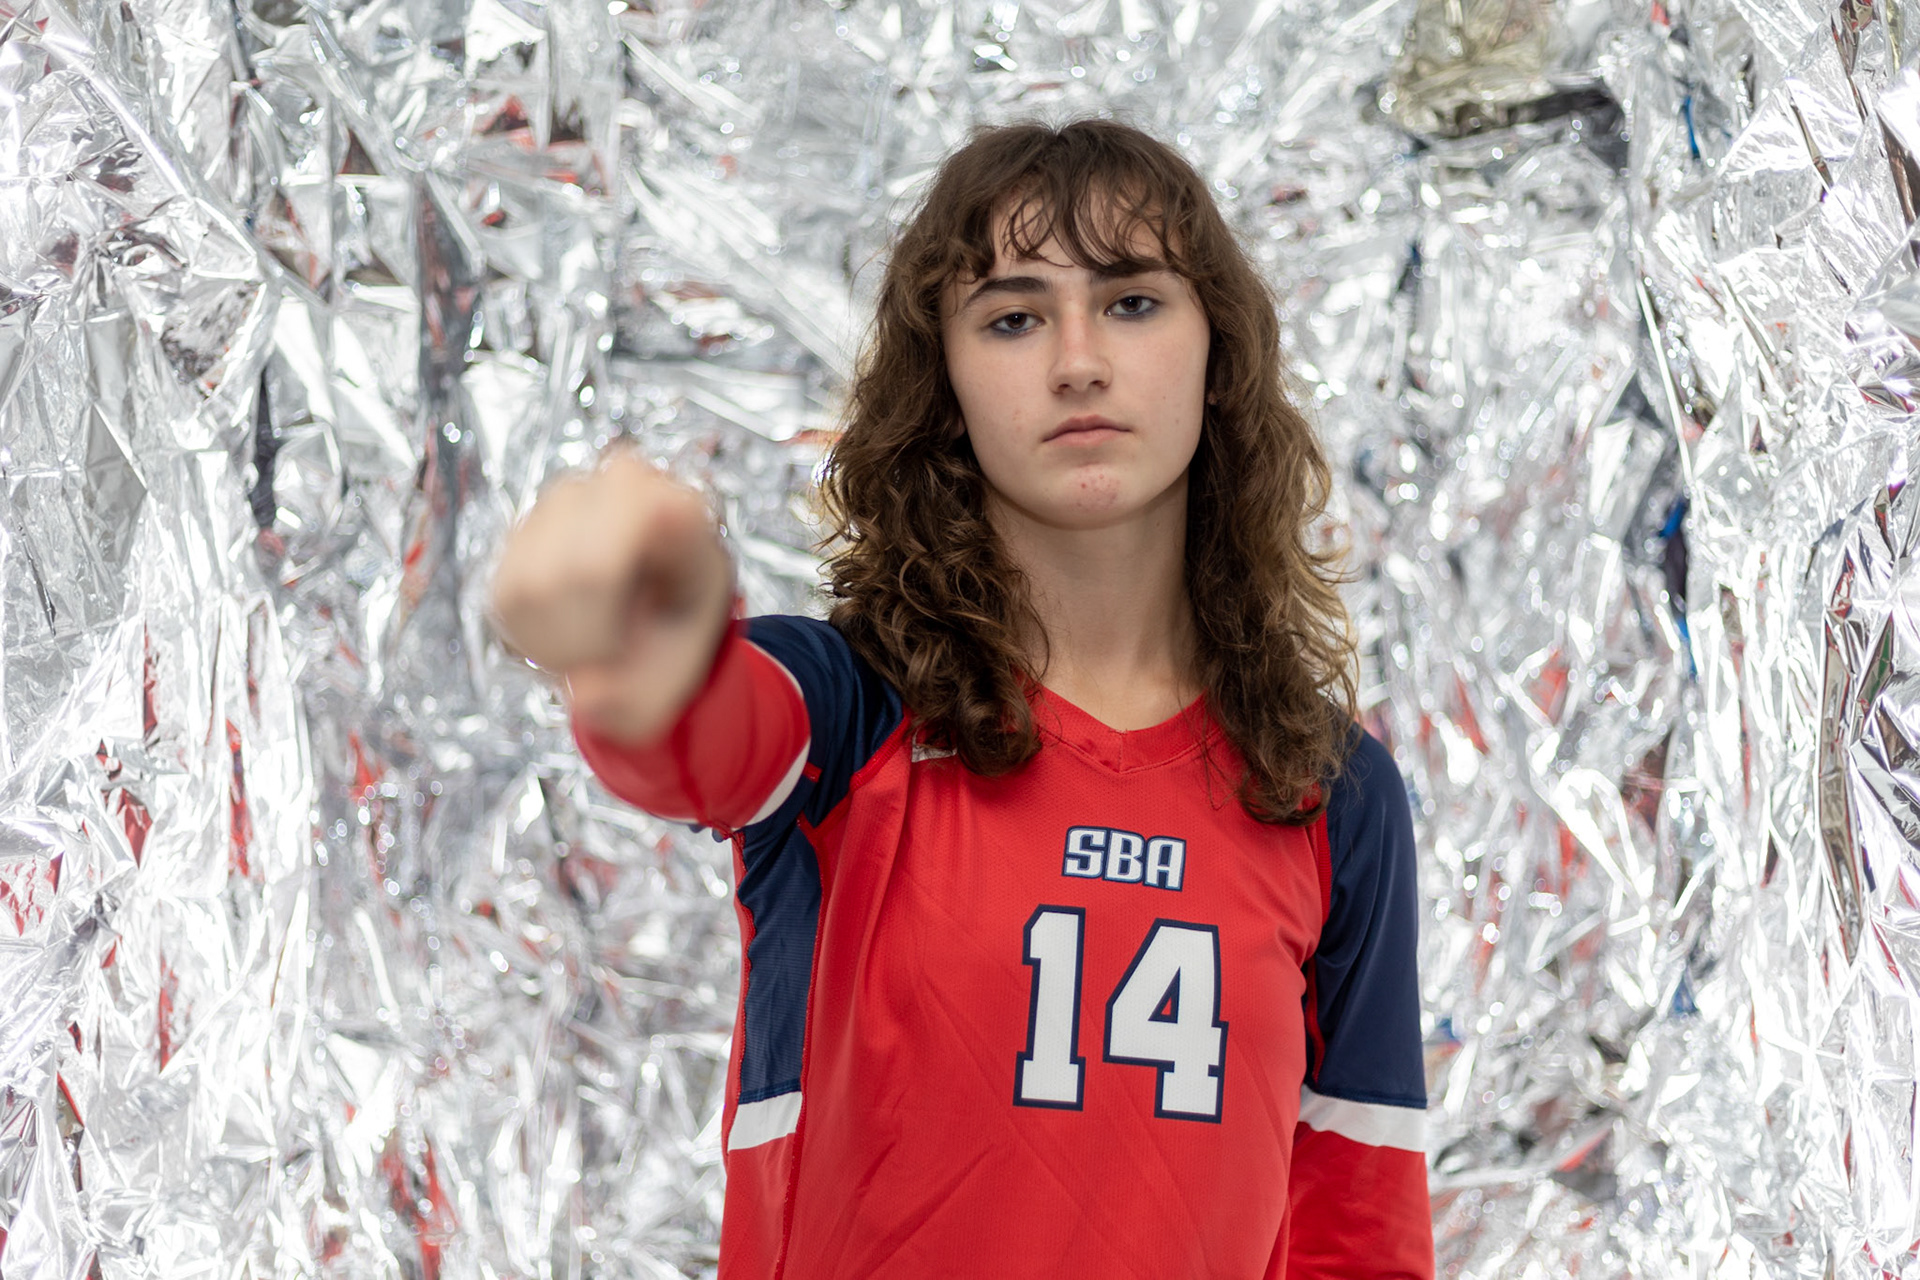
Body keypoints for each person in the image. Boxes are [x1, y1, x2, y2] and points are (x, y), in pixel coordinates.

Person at [491, 118, 1432, 1279]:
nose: (1078, 359)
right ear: (946, 382)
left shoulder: (1330, 789)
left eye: (1132, 301)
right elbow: (701, 731)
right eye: (1014, 316)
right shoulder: (852, 712)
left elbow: (1360, 1226)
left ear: (1217, 352)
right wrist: (632, 645)